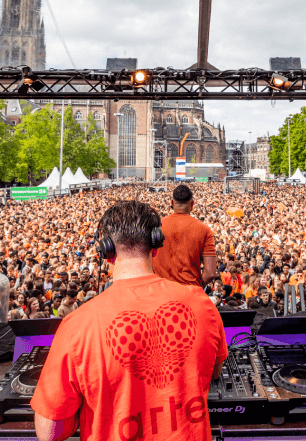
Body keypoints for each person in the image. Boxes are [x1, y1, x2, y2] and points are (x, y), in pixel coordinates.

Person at [31, 200, 227, 441]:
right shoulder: (202, 304)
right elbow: (214, 373)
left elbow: (49, 432)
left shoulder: (76, 325)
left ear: (107, 251)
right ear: (156, 245)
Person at [152, 184, 216, 287]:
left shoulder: (156, 226)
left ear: (172, 203)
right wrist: (196, 287)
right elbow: (210, 273)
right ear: (192, 204)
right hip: (190, 290)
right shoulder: (204, 230)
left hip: (161, 289)